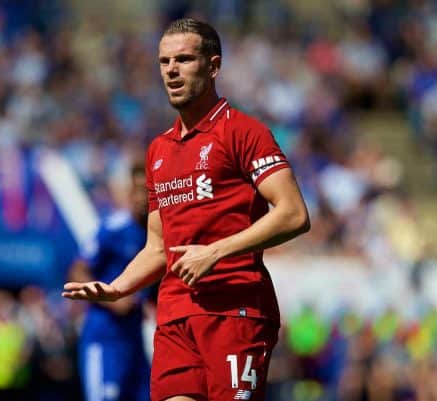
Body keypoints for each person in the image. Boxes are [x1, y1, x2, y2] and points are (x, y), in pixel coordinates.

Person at [63, 18, 310, 401]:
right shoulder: (158, 151)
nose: (172, 70)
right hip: (176, 315)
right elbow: (158, 247)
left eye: (184, 59)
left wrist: (215, 251)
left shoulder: (244, 133)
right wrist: (117, 287)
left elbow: (293, 213)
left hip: (235, 309)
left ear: (213, 67)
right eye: (164, 62)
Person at [67, 164, 152, 401]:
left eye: (147, 190)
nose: (141, 197)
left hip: (134, 339)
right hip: (104, 336)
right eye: (136, 190)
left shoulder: (158, 234)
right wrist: (113, 298)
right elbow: (77, 271)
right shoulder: (114, 228)